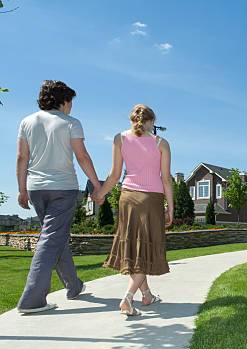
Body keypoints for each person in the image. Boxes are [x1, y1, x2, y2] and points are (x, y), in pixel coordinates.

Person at [16, 80, 103, 314]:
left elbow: (21, 158)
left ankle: (74, 286)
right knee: (51, 238)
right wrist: (96, 186)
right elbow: (83, 156)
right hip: (63, 188)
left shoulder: (27, 121)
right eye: (71, 102)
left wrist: (22, 189)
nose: (72, 107)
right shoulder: (70, 123)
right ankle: (32, 299)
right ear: (63, 100)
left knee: (56, 237)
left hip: (36, 189)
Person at [95, 104, 173, 317]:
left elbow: (114, 174)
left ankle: (146, 295)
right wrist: (170, 208)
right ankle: (128, 299)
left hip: (127, 198)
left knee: (137, 247)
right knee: (145, 250)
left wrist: (101, 194)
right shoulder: (161, 143)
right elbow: (166, 179)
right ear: (151, 122)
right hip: (151, 199)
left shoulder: (119, 138)